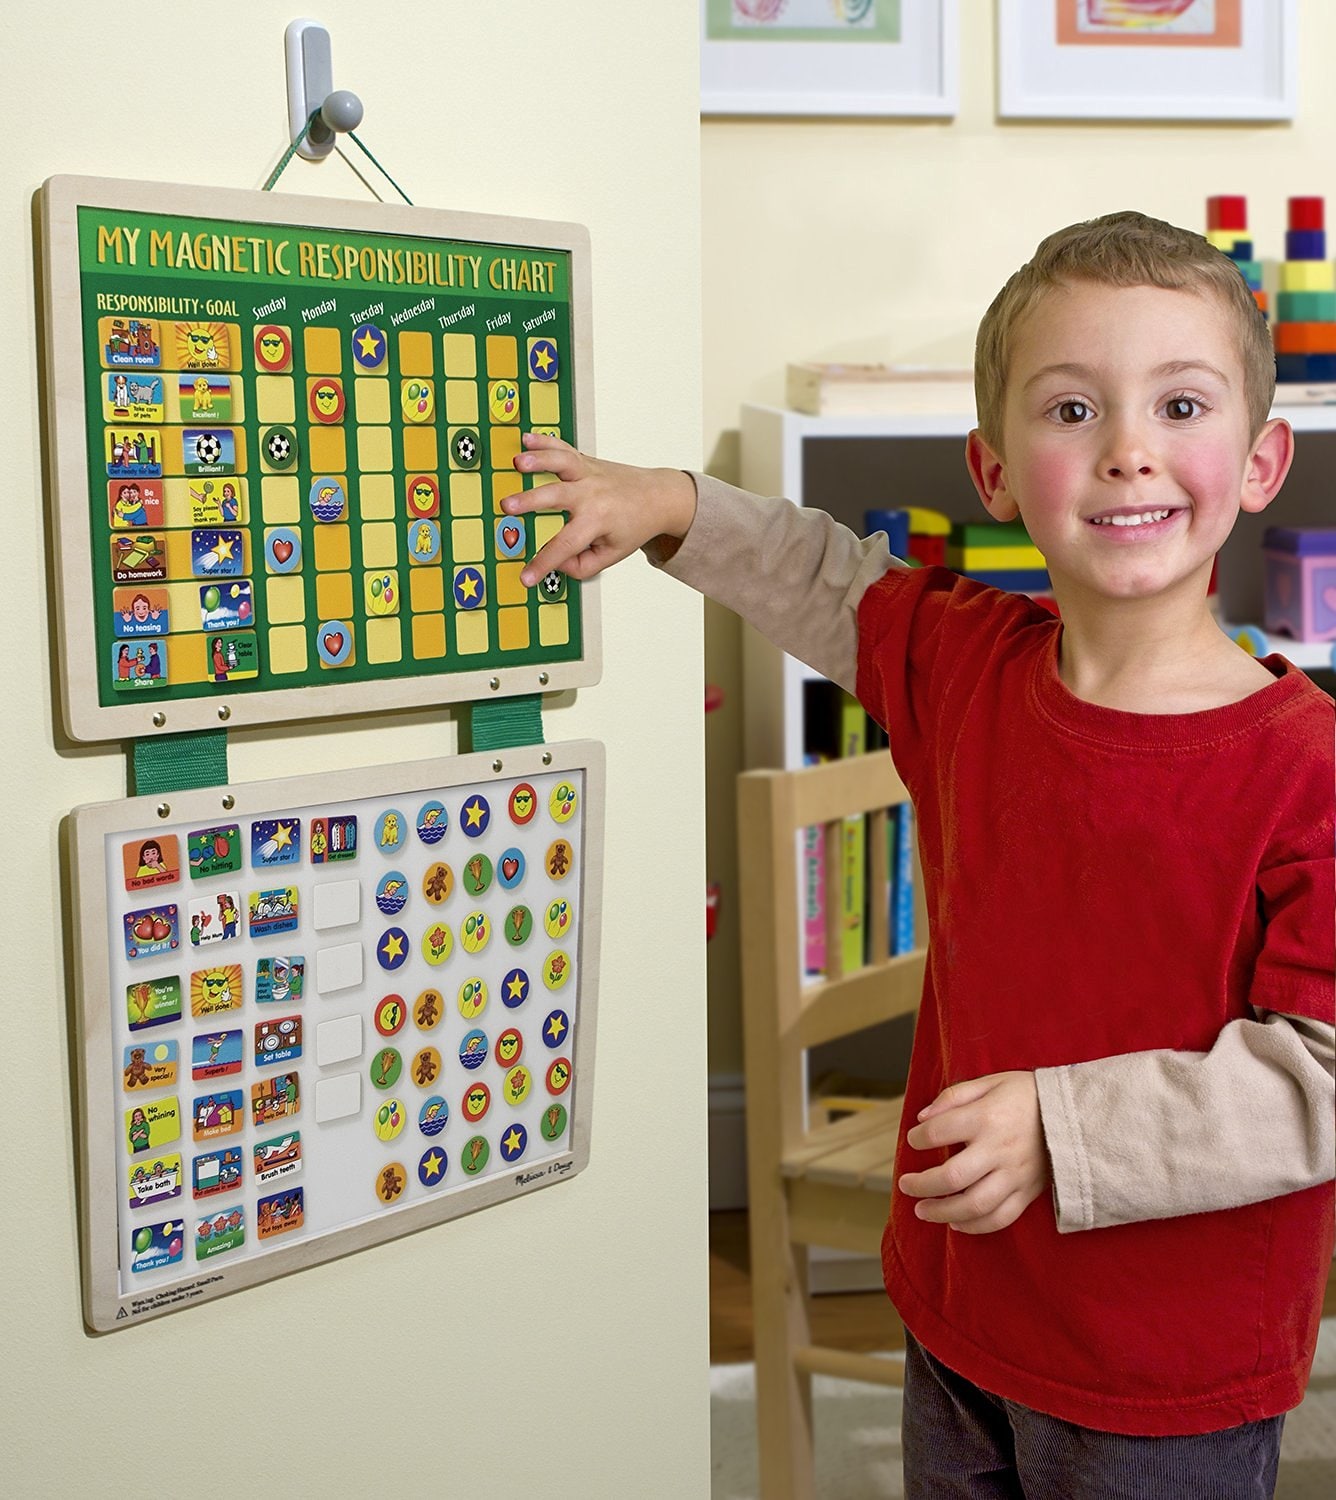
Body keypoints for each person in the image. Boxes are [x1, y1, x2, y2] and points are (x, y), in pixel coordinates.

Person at [502, 211, 1334, 1497]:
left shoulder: (1308, 768)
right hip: (959, 1302)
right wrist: (669, 502)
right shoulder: (966, 665)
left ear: (1261, 458)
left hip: (1163, 1367)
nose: (1126, 453)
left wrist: (1065, 1128)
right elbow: (826, 579)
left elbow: (1319, 1078)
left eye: (1180, 405)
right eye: (1069, 412)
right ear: (993, 472)